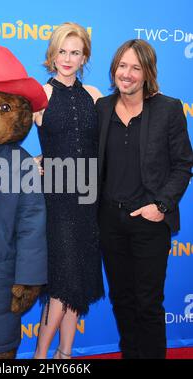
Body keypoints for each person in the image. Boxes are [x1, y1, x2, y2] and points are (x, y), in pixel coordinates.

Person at [96, 39, 193, 359]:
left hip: (149, 222)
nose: (127, 73)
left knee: (148, 303)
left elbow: (183, 164)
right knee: (121, 301)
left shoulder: (168, 108)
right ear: (114, 70)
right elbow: (85, 159)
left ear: (147, 72)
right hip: (110, 220)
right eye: (122, 66)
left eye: (135, 67)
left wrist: (161, 206)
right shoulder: (103, 108)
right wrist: (43, 164)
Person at [33, 22, 104, 359]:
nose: (67, 58)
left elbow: (108, 148)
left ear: (84, 56)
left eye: (75, 52)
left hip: (89, 199)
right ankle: (40, 357)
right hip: (58, 199)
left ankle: (65, 356)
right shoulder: (40, 95)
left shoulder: (94, 96)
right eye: (62, 51)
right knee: (62, 283)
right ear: (53, 53)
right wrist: (30, 161)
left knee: (79, 283)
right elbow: (7, 136)